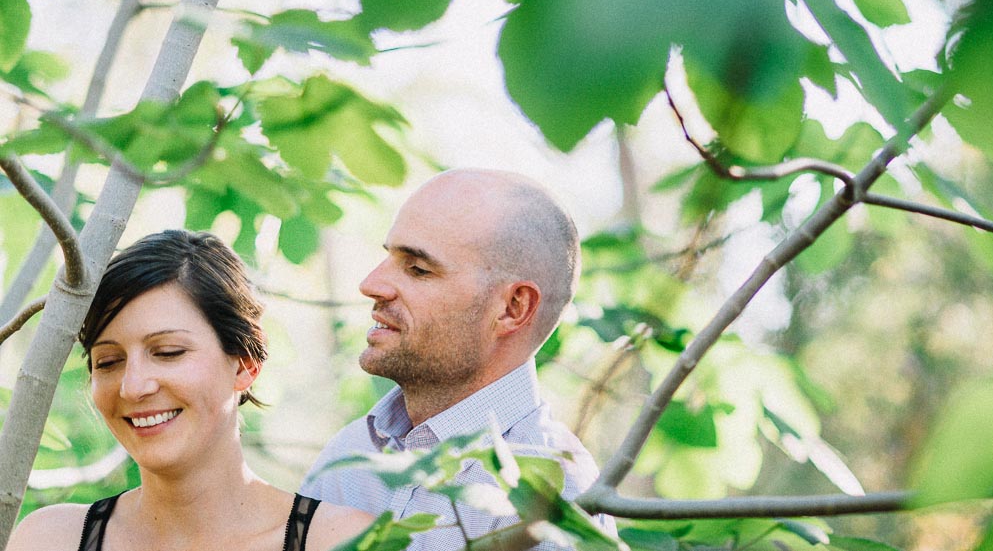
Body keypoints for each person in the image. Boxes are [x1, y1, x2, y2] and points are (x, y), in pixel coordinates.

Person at [7, 230, 376, 551]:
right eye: (108, 362)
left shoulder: (340, 541)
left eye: (168, 352)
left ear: (246, 362)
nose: (133, 386)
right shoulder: (51, 540)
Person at [300, 168, 607, 549]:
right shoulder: (351, 455)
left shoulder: (555, 500)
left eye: (418, 269)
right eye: (388, 259)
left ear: (513, 308)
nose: (371, 285)